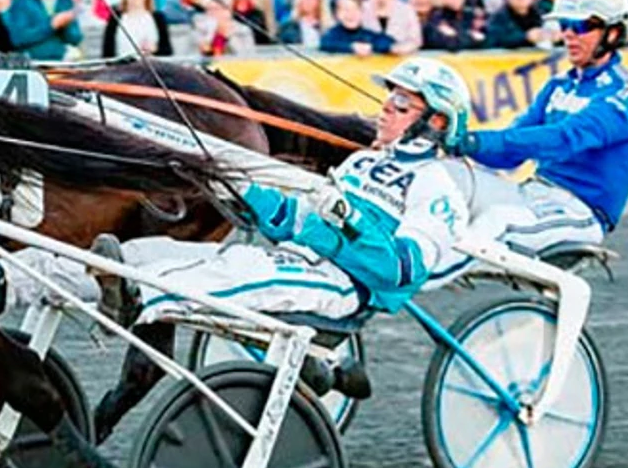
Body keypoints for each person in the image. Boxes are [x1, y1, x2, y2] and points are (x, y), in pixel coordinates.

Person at [92, 57, 476, 401]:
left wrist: (349, 219)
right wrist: (244, 192)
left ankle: (137, 293)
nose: (386, 109)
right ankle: (69, 275)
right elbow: (297, 220)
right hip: (297, 259)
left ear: (437, 122)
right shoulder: (360, 163)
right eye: (390, 98)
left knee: (237, 272)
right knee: (158, 251)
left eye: (402, 104)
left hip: (341, 284)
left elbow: (400, 271)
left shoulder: (438, 189)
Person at [456, 0, 628, 249]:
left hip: (579, 213)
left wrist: (469, 140)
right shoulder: (559, 85)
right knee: (444, 177)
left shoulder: (622, 97)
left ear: (614, 32)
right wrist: (451, 141)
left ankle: (400, 286)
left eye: (582, 25)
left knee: (494, 223)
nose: (569, 34)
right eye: (564, 24)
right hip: (531, 194)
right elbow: (510, 152)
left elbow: (561, 139)